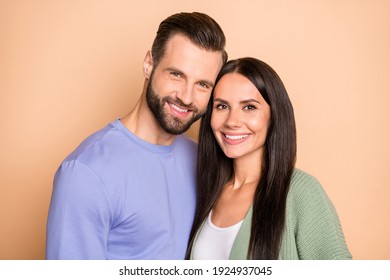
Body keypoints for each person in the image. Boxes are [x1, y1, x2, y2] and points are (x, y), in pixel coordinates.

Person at [46, 12, 227, 260]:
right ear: (149, 64)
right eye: (176, 74)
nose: (186, 97)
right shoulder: (86, 173)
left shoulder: (201, 158)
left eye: (202, 85)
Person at [186, 57, 352, 260]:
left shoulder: (301, 193)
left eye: (249, 107)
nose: (232, 121)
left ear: (274, 115)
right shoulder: (207, 190)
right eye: (222, 106)